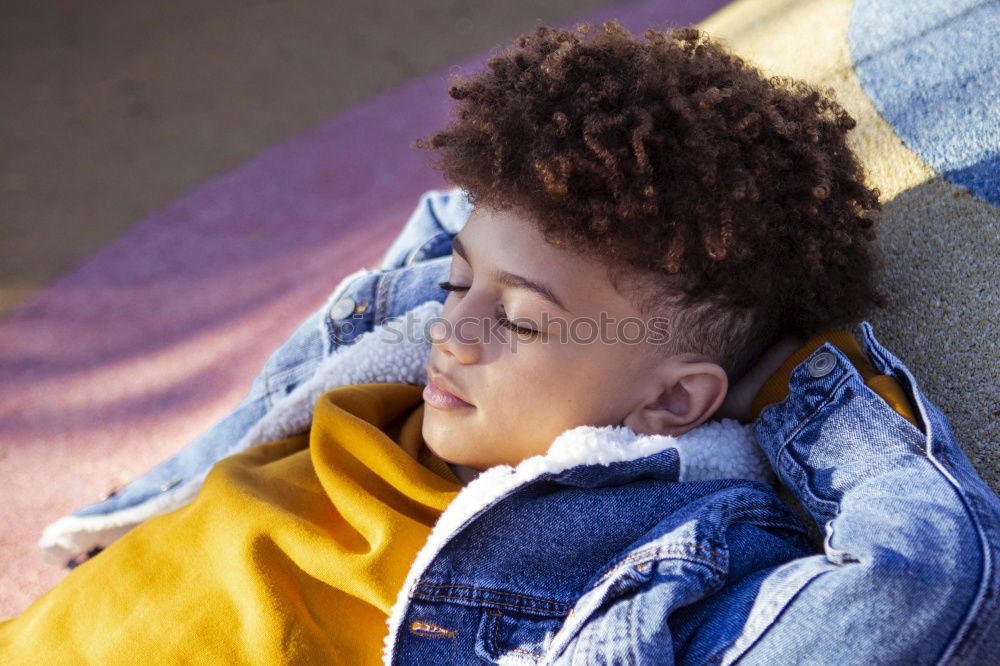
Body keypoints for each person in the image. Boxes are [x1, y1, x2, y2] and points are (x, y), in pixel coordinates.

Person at [4, 21, 999, 664]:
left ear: (673, 402)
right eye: (456, 288)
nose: (455, 329)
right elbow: (463, 218)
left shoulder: (649, 557)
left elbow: (917, 583)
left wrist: (816, 394)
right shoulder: (391, 374)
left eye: (516, 321)